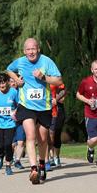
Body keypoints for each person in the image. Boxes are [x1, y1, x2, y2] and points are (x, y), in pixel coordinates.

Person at [7, 38, 63, 184]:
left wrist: (43, 77)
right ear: (24, 51)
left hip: (44, 107)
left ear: (38, 49)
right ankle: (33, 169)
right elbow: (8, 69)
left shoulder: (46, 61)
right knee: (30, 135)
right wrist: (16, 80)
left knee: (43, 139)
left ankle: (42, 163)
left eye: (34, 49)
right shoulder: (20, 62)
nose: (31, 52)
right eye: (28, 49)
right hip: (26, 106)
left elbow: (59, 81)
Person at [47, 83, 66, 169]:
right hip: (45, 110)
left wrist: (56, 98)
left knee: (56, 135)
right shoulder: (39, 80)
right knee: (49, 134)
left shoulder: (56, 80)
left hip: (58, 110)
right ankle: (50, 157)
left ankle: (56, 157)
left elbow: (63, 96)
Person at [9, 78, 26, 170]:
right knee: (11, 144)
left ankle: (17, 161)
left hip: (20, 121)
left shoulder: (22, 91)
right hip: (9, 122)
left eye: (15, 81)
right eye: (11, 82)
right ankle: (10, 157)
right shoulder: (6, 93)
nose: (13, 83)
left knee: (21, 142)